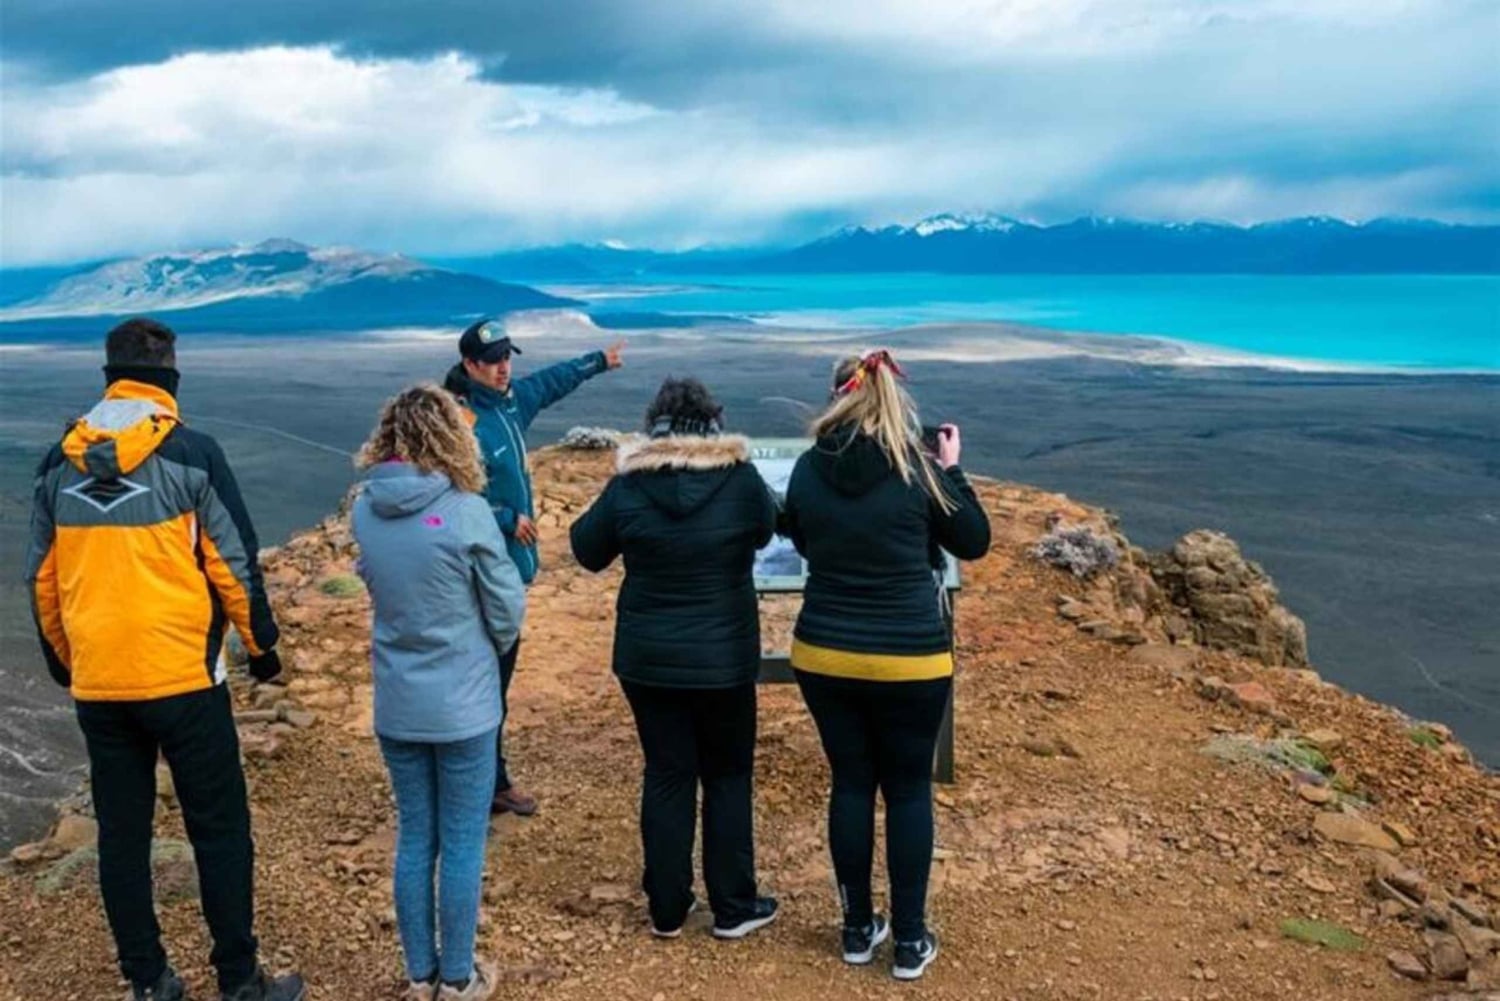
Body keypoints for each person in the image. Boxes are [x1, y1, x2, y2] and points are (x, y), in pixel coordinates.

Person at [23, 318, 305, 1001]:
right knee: (219, 827)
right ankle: (239, 980)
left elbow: (42, 580)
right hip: (184, 681)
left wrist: (68, 661)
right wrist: (263, 648)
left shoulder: (57, 464)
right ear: (170, 380)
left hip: (100, 684)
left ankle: (148, 981)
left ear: (109, 379)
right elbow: (233, 563)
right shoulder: (192, 454)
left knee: (122, 835)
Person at [780, 350, 991, 981]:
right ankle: (909, 941)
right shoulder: (918, 468)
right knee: (906, 791)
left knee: (849, 784)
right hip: (909, 659)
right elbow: (972, 540)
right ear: (893, 398)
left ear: (837, 397)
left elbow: (801, 538)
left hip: (823, 651)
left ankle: (854, 931)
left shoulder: (808, 468)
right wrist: (953, 471)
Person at [570, 377, 780, 940]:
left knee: (667, 773)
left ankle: (667, 907)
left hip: (648, 658)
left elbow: (586, 550)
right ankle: (734, 906)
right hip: (725, 658)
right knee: (728, 774)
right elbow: (766, 530)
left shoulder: (630, 483)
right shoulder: (739, 477)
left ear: (654, 425)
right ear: (714, 422)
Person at [351, 384, 526, 1001]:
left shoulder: (365, 510)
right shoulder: (466, 510)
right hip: (465, 704)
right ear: (450, 434)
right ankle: (458, 979)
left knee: (414, 835)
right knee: (462, 841)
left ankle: (419, 974)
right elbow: (505, 607)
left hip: (397, 702)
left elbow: (373, 584)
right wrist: (488, 645)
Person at [443, 318, 624, 817]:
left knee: (492, 682)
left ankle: (484, 779)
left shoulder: (511, 401)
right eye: (492, 361)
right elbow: (450, 493)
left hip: (508, 574)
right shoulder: (459, 421)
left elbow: (552, 380)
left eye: (507, 357)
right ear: (469, 366)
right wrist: (505, 518)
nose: (503, 367)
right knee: (485, 684)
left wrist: (598, 361)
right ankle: (482, 785)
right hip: (480, 574)